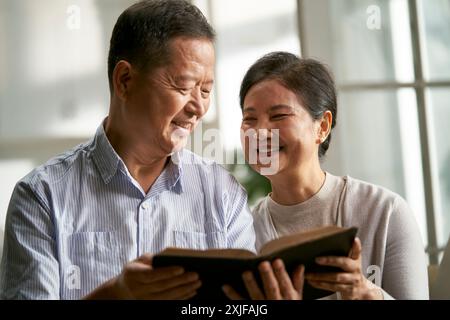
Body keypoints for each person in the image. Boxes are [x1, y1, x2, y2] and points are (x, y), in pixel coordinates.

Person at [0, 0, 255, 300]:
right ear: (124, 80)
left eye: (206, 90)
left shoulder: (223, 195)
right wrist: (115, 296)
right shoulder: (42, 197)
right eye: (184, 86)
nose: (198, 107)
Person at [222, 52, 429, 300]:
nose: (260, 132)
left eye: (278, 116)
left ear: (322, 127)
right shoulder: (242, 233)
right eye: (249, 119)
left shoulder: (385, 212)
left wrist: (367, 294)